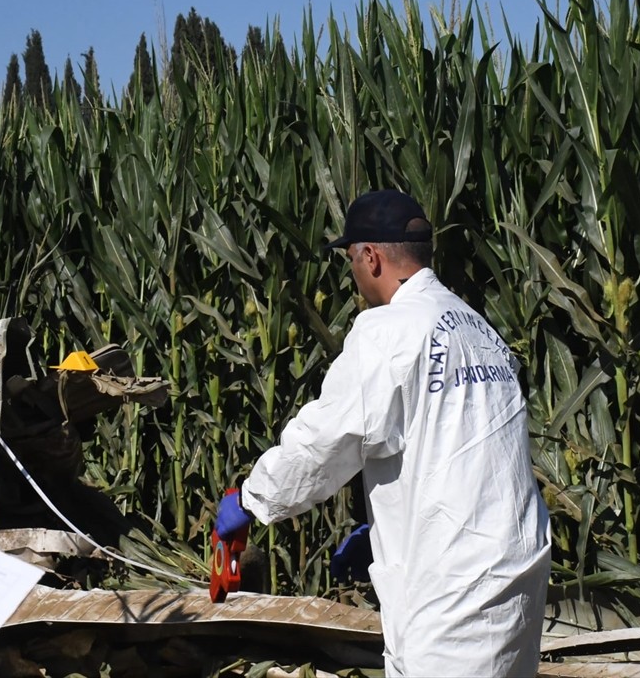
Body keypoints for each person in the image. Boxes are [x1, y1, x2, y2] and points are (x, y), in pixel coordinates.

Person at [216, 189, 552, 677]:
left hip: (452, 597)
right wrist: (387, 527)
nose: (353, 273)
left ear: (370, 257)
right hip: (515, 576)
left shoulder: (388, 330)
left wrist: (249, 501)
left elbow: (323, 442)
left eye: (350, 259)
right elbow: (473, 447)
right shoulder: (478, 329)